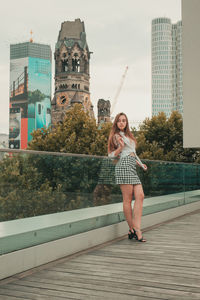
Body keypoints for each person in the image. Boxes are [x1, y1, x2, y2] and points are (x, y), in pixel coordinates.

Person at [108, 112, 147, 242]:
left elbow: (132, 153)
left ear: (126, 123)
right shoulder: (115, 136)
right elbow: (111, 155)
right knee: (128, 200)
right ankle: (134, 229)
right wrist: (120, 147)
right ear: (116, 123)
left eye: (124, 120)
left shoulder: (129, 135)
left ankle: (134, 229)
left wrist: (140, 164)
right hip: (123, 166)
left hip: (132, 166)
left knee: (140, 196)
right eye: (119, 121)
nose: (121, 123)